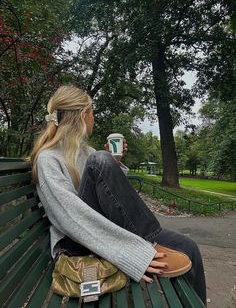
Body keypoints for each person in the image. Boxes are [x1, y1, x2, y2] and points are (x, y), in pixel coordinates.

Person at [30, 85, 206, 305]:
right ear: (85, 115)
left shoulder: (86, 152)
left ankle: (154, 244)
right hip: (75, 243)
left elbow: (111, 194)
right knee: (101, 159)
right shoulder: (48, 159)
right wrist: (130, 253)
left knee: (189, 248)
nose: (94, 118)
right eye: (93, 113)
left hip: (100, 231)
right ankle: (150, 241)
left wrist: (116, 162)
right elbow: (69, 217)